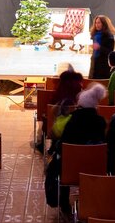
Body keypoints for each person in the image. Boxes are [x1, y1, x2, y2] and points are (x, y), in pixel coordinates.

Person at [46, 83, 108, 216]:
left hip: (72, 171)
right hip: (95, 169)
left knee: (60, 163)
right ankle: (93, 200)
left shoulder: (72, 122)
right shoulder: (101, 122)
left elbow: (63, 145)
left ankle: (64, 203)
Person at [89, 15, 115, 80]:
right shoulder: (95, 34)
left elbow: (110, 52)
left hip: (103, 63)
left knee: (101, 81)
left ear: (104, 24)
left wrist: (99, 47)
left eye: (99, 23)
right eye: (96, 23)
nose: (97, 25)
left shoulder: (109, 36)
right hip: (94, 61)